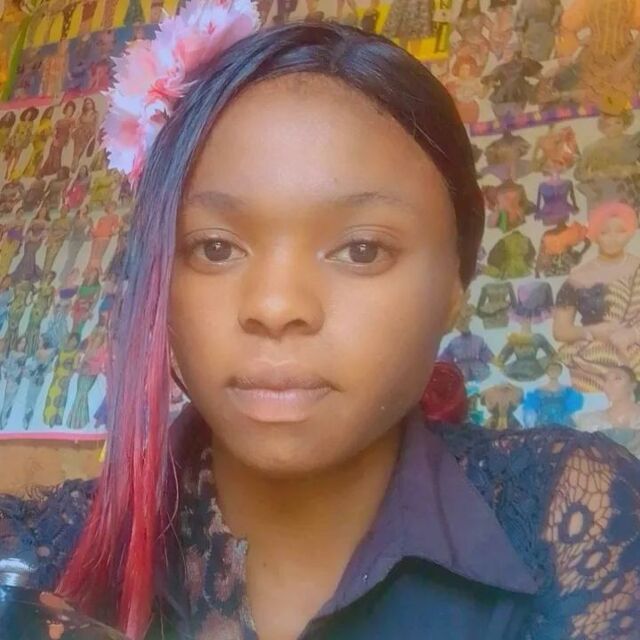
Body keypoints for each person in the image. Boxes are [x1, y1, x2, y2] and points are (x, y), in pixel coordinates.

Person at [1, 4, 640, 640]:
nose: (276, 306)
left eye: (361, 250)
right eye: (215, 248)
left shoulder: (573, 517)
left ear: (456, 280)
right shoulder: (34, 555)